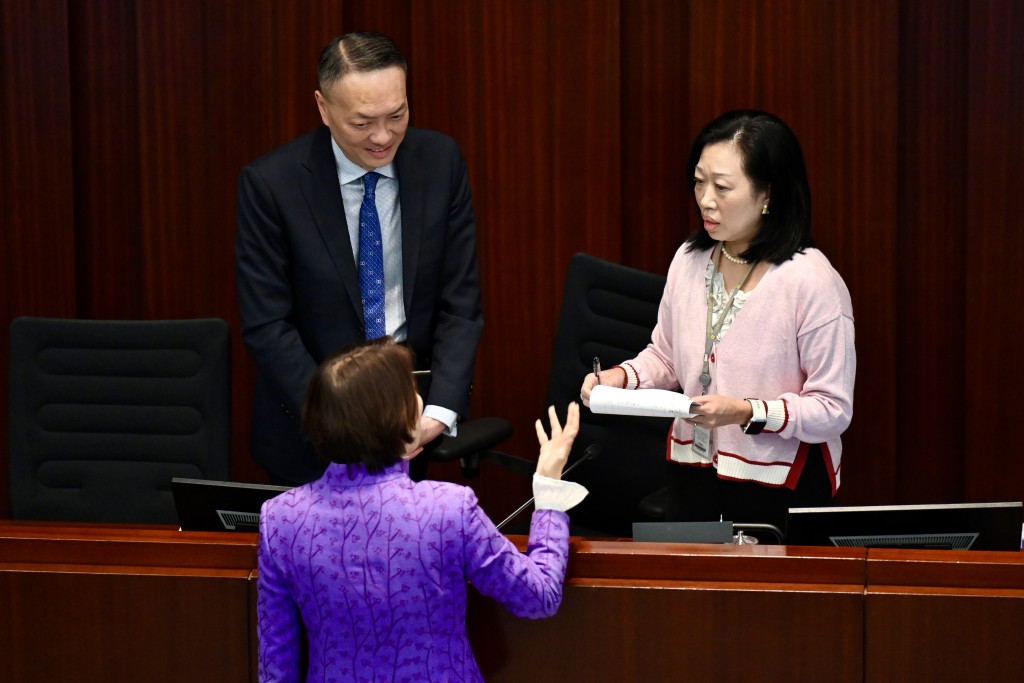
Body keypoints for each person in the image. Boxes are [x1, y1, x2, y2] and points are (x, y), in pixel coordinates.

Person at [581, 109, 855, 535]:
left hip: (779, 485)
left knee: (763, 601)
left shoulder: (812, 281)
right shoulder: (690, 260)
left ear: (769, 194)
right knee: (691, 594)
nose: (705, 199)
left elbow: (833, 410)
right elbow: (667, 357)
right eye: (698, 181)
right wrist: (621, 378)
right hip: (692, 473)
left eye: (723, 187)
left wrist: (746, 411)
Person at [256, 340, 587, 681]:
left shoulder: (280, 520)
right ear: (396, 418)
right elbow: (538, 596)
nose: (420, 401)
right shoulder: (448, 508)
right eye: (412, 392)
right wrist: (548, 491)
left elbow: (275, 666)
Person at [235, 31, 482, 485]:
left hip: (412, 428)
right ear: (323, 108)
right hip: (309, 437)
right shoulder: (273, 185)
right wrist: (337, 416)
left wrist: (438, 412)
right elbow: (268, 325)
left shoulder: (440, 161)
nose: (383, 136)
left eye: (397, 114)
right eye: (363, 122)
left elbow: (460, 302)